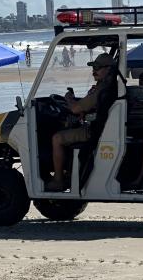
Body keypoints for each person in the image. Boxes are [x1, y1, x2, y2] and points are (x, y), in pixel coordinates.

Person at [47, 53, 116, 190]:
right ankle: (69, 173)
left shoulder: (101, 89)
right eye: (93, 67)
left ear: (109, 69)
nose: (94, 70)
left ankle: (59, 179)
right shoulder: (107, 86)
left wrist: (68, 98)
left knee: (57, 138)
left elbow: (75, 108)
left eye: (98, 67)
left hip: (94, 132)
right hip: (101, 127)